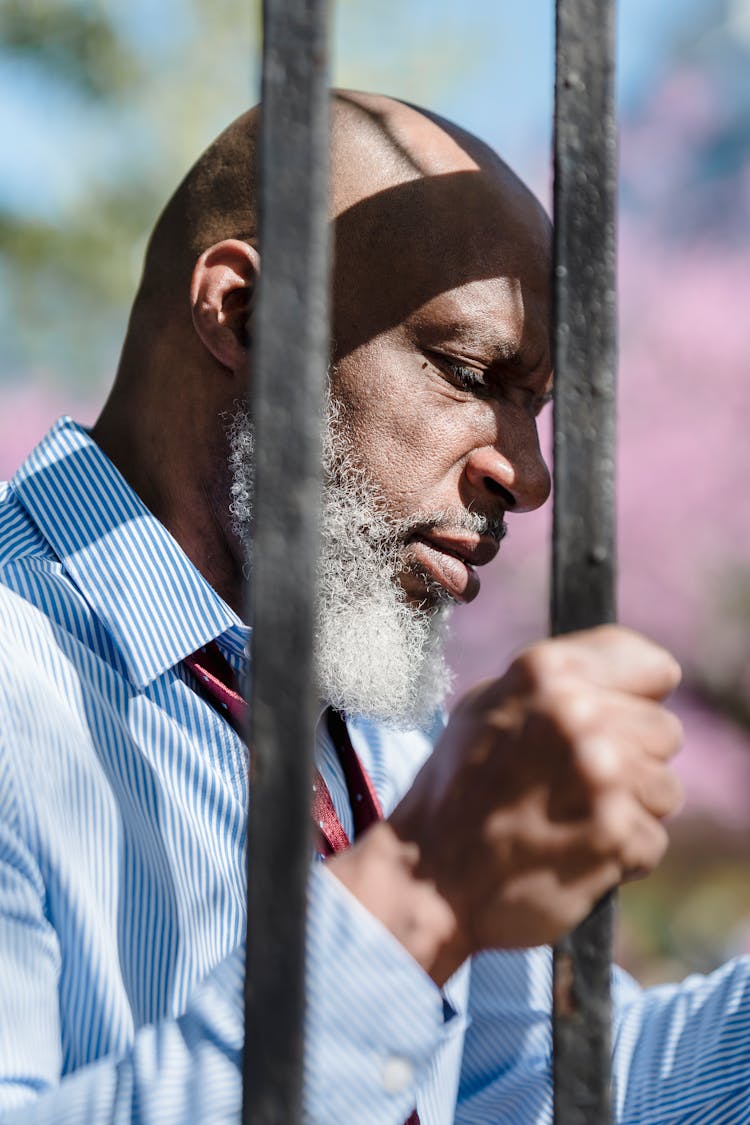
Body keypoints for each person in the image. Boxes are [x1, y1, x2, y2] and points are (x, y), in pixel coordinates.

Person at [0, 91, 746, 1123]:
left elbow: (530, 1090)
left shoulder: (369, 713)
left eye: (533, 406)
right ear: (245, 315)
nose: (528, 477)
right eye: (469, 371)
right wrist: (420, 892)